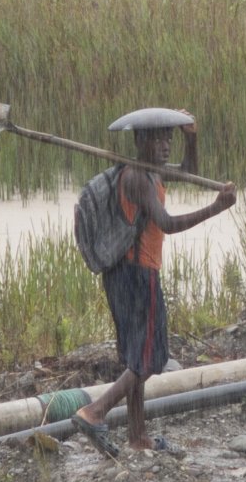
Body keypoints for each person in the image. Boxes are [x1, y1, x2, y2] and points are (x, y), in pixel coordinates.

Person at [72, 121, 236, 455]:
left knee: (137, 359)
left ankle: (137, 436)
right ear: (140, 140)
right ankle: (95, 411)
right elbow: (167, 223)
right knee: (149, 358)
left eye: (169, 139)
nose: (165, 146)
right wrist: (216, 208)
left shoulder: (152, 172)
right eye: (158, 139)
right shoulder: (138, 178)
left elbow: (189, 171)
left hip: (125, 274)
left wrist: (192, 138)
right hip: (137, 275)